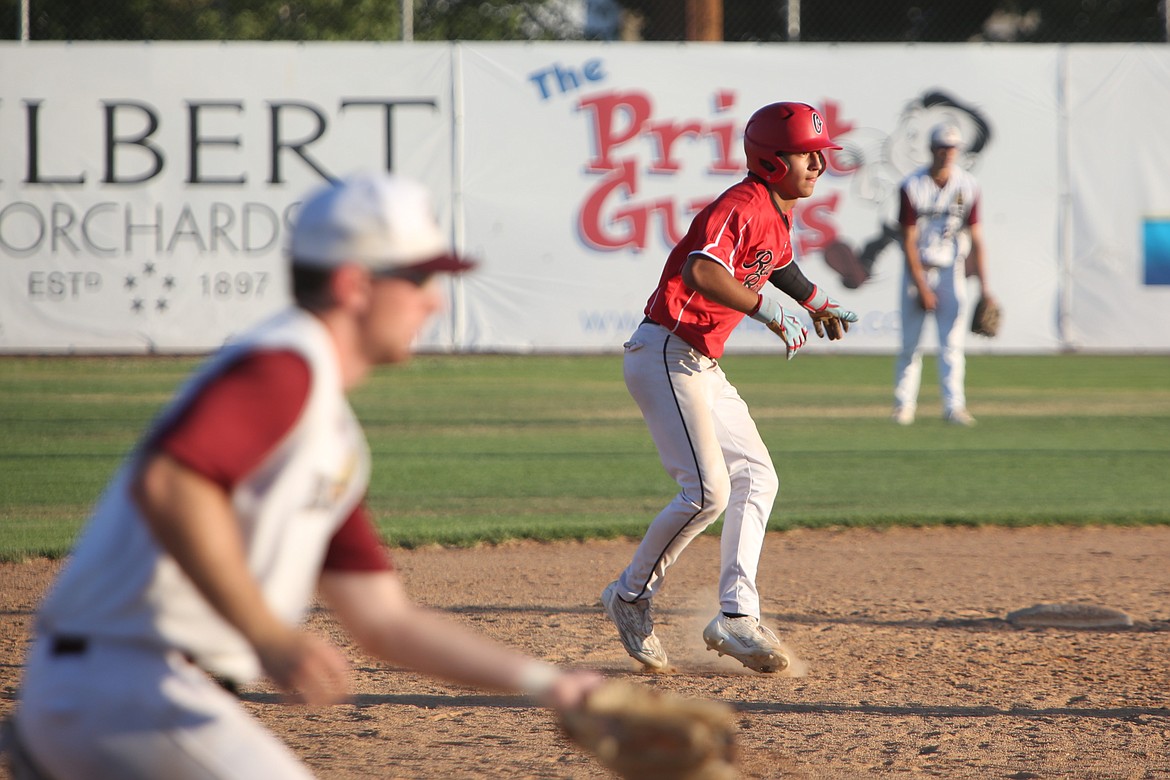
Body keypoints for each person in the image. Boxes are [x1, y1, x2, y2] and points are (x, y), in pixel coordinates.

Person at [5, 172, 602, 779]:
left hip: (124, 694)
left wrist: (550, 685)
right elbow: (172, 484)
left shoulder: (329, 428)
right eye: (420, 278)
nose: (435, 300)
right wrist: (270, 636)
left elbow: (384, 622)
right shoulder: (287, 363)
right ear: (354, 284)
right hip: (131, 688)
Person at [601, 102, 858, 674]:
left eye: (821, 153)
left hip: (697, 364)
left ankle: (737, 616)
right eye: (806, 154)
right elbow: (701, 270)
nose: (818, 163)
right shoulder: (742, 203)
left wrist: (815, 302)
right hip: (667, 353)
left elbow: (777, 263)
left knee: (757, 475)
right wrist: (768, 311)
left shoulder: (773, 209)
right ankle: (629, 595)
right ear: (771, 160)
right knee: (706, 492)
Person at [891, 123, 993, 426]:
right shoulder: (912, 186)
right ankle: (903, 406)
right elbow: (908, 239)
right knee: (910, 344)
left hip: (952, 268)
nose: (947, 153)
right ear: (932, 149)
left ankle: (954, 407)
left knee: (952, 344)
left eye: (952, 148)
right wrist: (921, 285)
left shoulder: (968, 186)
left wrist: (986, 288)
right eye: (942, 147)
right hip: (918, 268)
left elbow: (976, 237)